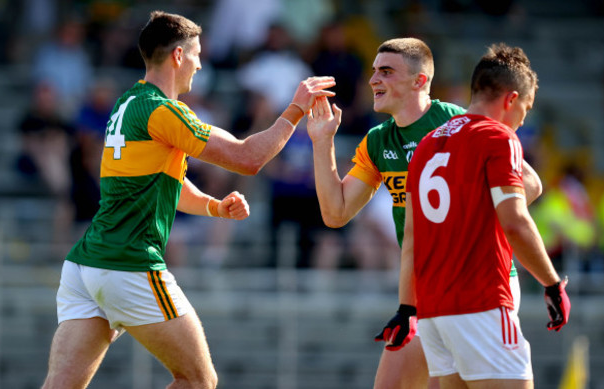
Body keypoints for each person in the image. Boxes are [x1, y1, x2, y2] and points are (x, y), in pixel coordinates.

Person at [41, 10, 336, 389]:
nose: (200, 63)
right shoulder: (163, 111)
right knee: (198, 381)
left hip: (85, 267)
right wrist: (295, 109)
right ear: (178, 56)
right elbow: (247, 158)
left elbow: (170, 184)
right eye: (197, 54)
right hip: (129, 264)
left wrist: (214, 206)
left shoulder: (128, 104)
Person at [306, 37, 542, 389]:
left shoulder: (455, 120)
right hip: (424, 287)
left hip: (478, 284)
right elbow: (336, 213)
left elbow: (531, 184)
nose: (373, 80)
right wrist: (322, 141)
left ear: (420, 81)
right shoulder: (378, 141)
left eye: (386, 71)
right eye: (373, 72)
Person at [375, 43, 571, 388]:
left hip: (433, 311)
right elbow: (515, 221)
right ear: (511, 99)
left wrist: (408, 308)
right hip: (482, 301)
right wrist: (552, 284)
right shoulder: (498, 138)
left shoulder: (427, 145)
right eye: (524, 110)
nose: (522, 121)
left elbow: (412, 240)